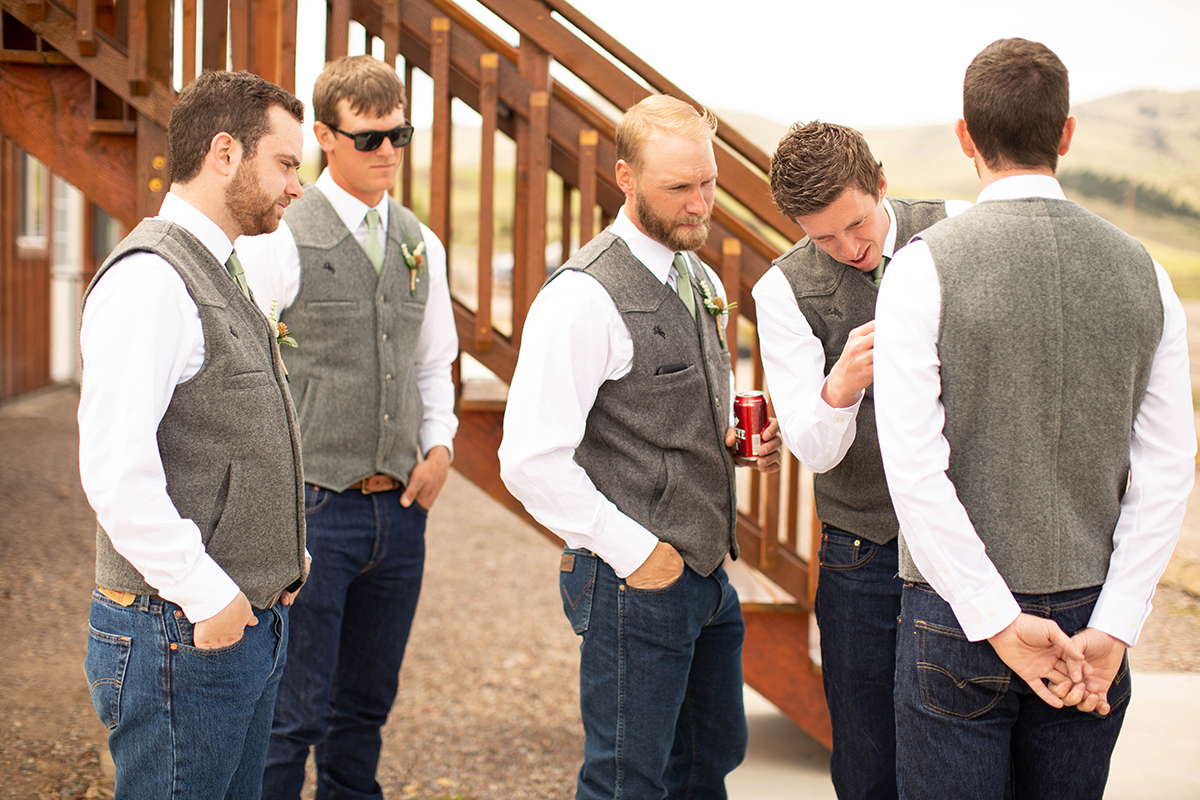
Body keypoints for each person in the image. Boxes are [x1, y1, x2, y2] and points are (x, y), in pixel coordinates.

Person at [874, 37, 1195, 798]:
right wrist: (1116, 623)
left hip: (956, 616)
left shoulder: (921, 268)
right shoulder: (1146, 273)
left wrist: (994, 619)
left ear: (965, 136)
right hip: (1090, 618)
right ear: (1066, 133)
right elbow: (1166, 469)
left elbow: (914, 471)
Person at [499, 94, 783, 799]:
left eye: (708, 183)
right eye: (678, 187)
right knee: (626, 781)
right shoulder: (582, 297)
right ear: (624, 177)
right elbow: (529, 460)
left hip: (709, 578)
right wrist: (639, 555)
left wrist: (728, 441)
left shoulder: (700, 276)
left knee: (709, 764)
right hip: (635, 581)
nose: (699, 203)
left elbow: (659, 415)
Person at [78, 70, 308, 799]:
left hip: (228, 628)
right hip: (178, 631)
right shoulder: (151, 280)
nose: (297, 186)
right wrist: (208, 596)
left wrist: (279, 556)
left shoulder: (222, 267)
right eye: (286, 163)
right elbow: (116, 469)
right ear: (224, 153)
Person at [236, 54, 458, 800]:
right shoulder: (280, 236)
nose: (388, 150)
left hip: (400, 511)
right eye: (369, 138)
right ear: (326, 137)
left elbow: (433, 361)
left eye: (400, 134)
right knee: (290, 715)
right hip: (313, 508)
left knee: (365, 709)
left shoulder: (421, 242)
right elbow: (248, 369)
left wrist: (440, 447)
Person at [753, 120, 969, 799]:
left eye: (856, 224)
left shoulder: (959, 227)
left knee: (961, 753)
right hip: (861, 552)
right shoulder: (781, 290)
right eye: (823, 238)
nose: (849, 249)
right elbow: (815, 450)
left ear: (879, 183)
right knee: (867, 762)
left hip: (968, 541)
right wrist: (839, 385)